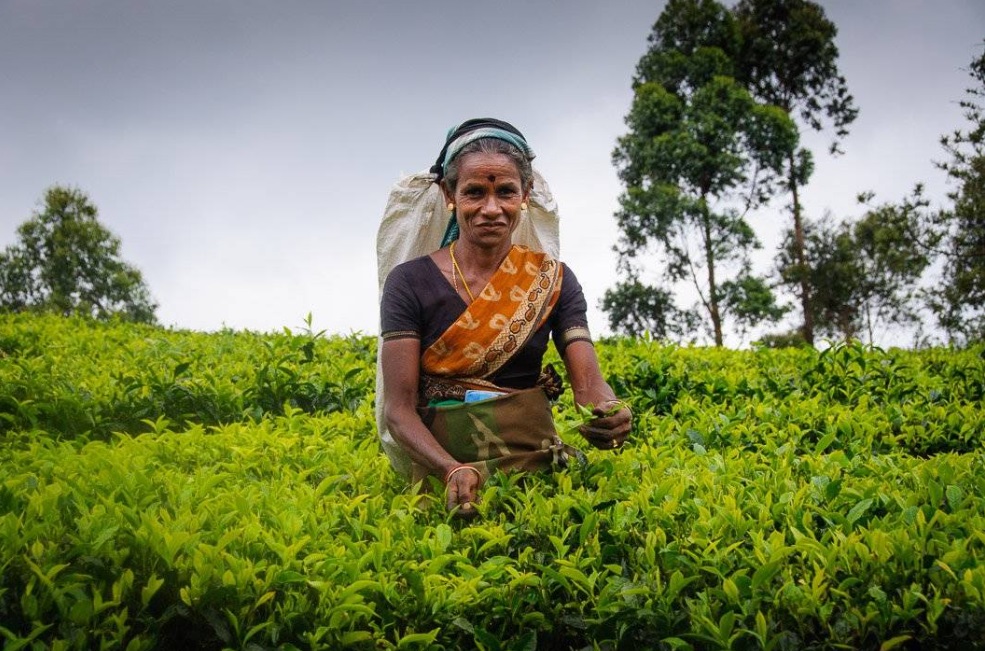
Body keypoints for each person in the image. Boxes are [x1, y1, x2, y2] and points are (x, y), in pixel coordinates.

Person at [379, 118, 631, 517]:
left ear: (525, 195)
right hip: (443, 474)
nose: (491, 209)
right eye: (475, 192)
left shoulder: (554, 281)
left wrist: (612, 414)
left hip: (537, 471)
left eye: (506, 192)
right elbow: (399, 409)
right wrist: (451, 469)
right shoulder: (409, 282)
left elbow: (589, 387)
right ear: (450, 194)